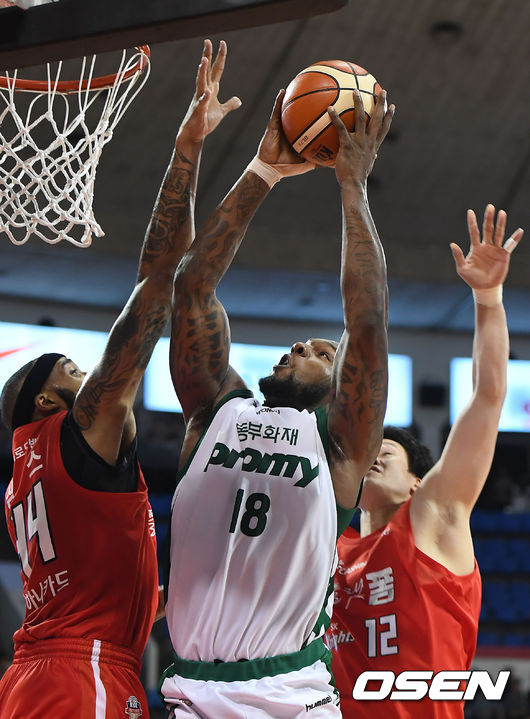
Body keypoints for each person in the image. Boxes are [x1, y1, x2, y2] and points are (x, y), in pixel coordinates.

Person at [0, 40, 240, 719]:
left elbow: (92, 566)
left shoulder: (22, 479)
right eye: (75, 370)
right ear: (48, 399)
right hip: (87, 674)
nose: (96, 375)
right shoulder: (78, 430)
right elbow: (157, 281)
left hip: (33, 674)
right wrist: (187, 149)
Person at [159, 87, 394, 718]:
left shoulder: (340, 443)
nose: (299, 345)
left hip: (290, 695)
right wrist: (263, 170)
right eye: (300, 343)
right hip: (192, 692)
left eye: (320, 350)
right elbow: (192, 286)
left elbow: (367, 323)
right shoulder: (216, 410)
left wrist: (352, 188)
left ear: (343, 378)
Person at [326, 204, 524, 718]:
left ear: (418, 483)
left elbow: (487, 398)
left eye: (386, 453)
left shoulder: (432, 516)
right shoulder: (330, 546)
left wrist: (488, 299)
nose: (371, 458)